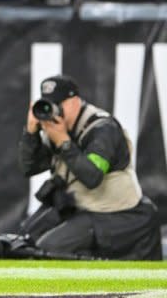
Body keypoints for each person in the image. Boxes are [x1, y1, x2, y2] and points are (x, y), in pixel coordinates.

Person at [17, 75, 161, 259]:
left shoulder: (102, 128)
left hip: (116, 214)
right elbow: (28, 168)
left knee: (48, 249)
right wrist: (30, 133)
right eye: (49, 104)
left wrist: (64, 143)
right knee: (23, 242)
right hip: (79, 209)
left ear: (74, 102)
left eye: (59, 104)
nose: (55, 111)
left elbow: (92, 177)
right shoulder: (57, 128)